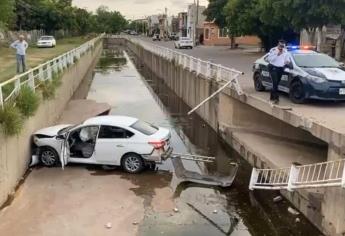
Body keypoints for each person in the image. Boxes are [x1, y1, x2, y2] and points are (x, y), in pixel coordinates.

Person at [265, 40, 291, 104]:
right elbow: (269, 59)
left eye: (283, 46)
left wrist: (287, 61)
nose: (281, 47)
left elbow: (287, 59)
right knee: (275, 83)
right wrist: (277, 54)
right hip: (273, 67)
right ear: (278, 44)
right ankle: (276, 98)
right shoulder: (273, 50)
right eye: (280, 45)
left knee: (276, 84)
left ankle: (271, 97)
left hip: (280, 68)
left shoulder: (285, 51)